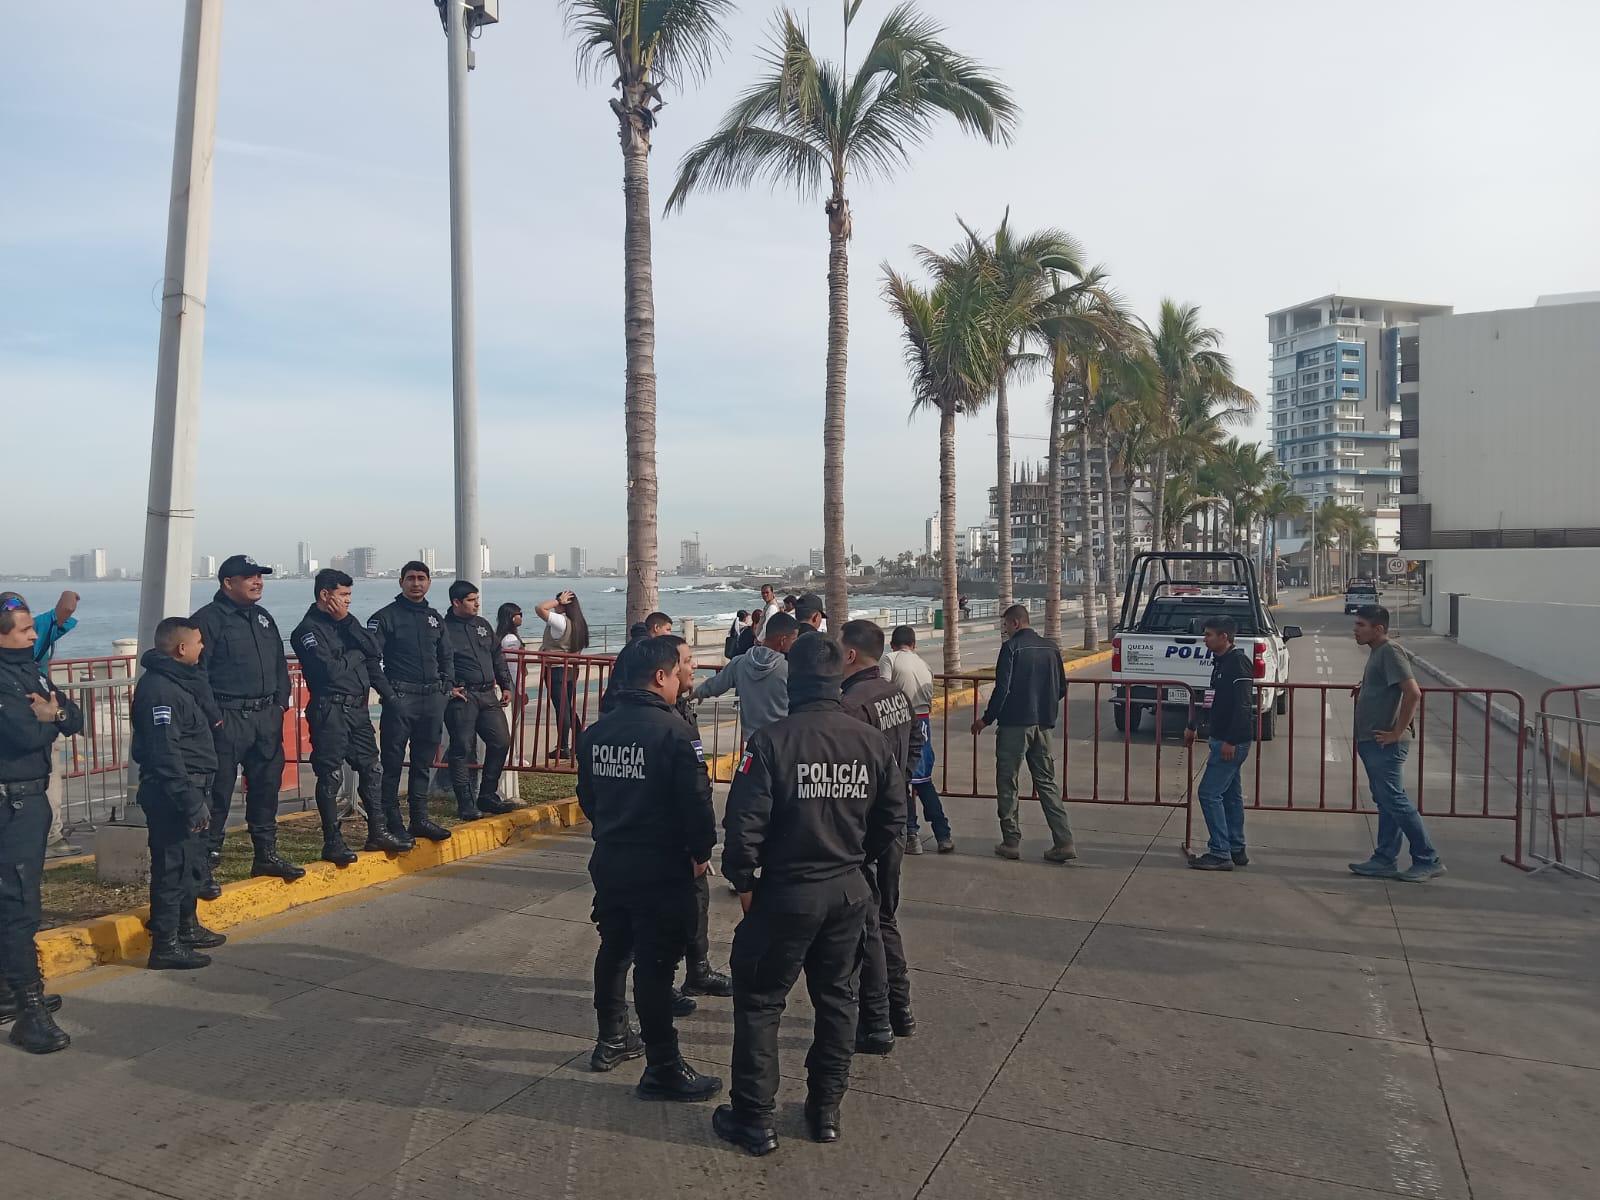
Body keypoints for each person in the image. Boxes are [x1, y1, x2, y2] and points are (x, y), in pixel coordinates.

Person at [714, 635, 905, 1156]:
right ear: (837, 678)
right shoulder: (868, 740)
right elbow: (894, 817)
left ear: (791, 681)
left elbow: (743, 825)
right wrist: (857, 858)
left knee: (759, 1003)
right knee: (837, 1000)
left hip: (787, 891)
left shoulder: (773, 741)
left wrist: (745, 882)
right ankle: (825, 1111)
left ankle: (754, 1118)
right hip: (846, 891)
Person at [577, 636, 723, 1103]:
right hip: (661, 864)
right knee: (656, 966)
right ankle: (663, 1064)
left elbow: (590, 800)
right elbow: (697, 804)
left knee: (614, 948)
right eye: (678, 671)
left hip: (613, 858)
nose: (685, 677)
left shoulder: (597, 732)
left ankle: (612, 1038)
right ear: (659, 677)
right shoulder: (674, 731)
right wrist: (701, 851)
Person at [0, 593, 81, 1054]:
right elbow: (21, 734)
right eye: (26, 629)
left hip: (30, 799)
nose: (35, 635)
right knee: (19, 904)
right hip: (10, 804)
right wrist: (53, 719)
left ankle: (9, 989)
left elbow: (76, 717)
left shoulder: (31, 671)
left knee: (13, 898)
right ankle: (29, 1011)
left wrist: (56, 714)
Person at [191, 555, 304, 885]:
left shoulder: (263, 618)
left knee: (266, 789)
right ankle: (205, 864)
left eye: (260, 577)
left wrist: (279, 705)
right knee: (218, 794)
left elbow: (278, 665)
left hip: (265, 719)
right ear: (228, 583)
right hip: (227, 719)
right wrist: (215, 719)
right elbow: (198, 675)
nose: (258, 582)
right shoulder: (207, 621)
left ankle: (266, 854)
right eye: (249, 577)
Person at [838, 619, 918, 1056]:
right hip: (894, 818)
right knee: (885, 918)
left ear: (850, 655)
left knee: (867, 926)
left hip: (866, 828)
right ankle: (899, 1009)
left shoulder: (852, 705)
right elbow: (918, 743)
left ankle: (878, 1020)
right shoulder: (896, 696)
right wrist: (900, 784)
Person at [131, 618, 227, 970]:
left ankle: (187, 926)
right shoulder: (160, 690)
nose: (203, 648)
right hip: (174, 790)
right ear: (181, 648)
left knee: (191, 863)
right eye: (198, 642)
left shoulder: (182, 682)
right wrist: (188, 799)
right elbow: (164, 751)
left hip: (195, 785)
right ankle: (166, 943)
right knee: (172, 866)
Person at [291, 570, 407, 859]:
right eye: (343, 596)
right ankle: (332, 840)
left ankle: (377, 832)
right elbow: (328, 671)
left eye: (349, 596)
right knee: (330, 776)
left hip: (358, 709)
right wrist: (356, 654)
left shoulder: (346, 624)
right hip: (330, 708)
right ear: (325, 596)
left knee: (372, 769)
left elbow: (373, 649)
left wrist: (347, 622)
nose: (347, 601)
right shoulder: (307, 630)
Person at [971, 605, 1075, 864]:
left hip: (1014, 725)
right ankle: (1064, 841)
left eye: (1005, 625)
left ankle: (1011, 841)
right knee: (1046, 781)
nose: (1004, 630)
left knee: (1008, 782)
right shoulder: (1051, 647)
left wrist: (986, 719)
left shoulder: (1011, 648)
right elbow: (1061, 687)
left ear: (1016, 623)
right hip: (1043, 725)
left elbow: (1002, 689)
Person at [1349, 605, 1444, 883]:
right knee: (1387, 802)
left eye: (1361, 625)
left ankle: (1428, 858)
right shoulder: (1378, 653)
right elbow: (1387, 685)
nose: (1355, 629)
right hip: (1371, 741)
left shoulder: (1390, 651)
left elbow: (1413, 693)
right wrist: (1365, 686)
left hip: (1385, 744)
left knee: (1396, 801)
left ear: (1378, 629)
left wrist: (1396, 732)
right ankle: (1384, 858)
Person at [367, 562, 454, 846]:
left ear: (429, 582)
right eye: (410, 579)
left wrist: (446, 687)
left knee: (422, 763)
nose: (416, 583)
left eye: (421, 578)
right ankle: (393, 822)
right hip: (400, 699)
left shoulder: (434, 618)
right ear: (401, 582)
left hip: (432, 699)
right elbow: (371, 660)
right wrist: (389, 695)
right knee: (392, 764)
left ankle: (420, 819)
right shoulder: (385, 617)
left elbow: (446, 656)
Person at [1182, 616, 1255, 871]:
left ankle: (1220, 852)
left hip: (1231, 741)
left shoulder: (1238, 663)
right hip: (1219, 737)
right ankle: (1236, 848)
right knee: (1230, 796)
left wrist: (1231, 741)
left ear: (1224, 637)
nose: (1205, 639)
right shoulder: (1220, 662)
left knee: (1209, 793)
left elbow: (1244, 706)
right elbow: (1211, 698)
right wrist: (1194, 725)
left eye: (1209, 634)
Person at [443, 581, 518, 820]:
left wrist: (506, 684)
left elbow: (497, 656)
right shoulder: (443, 630)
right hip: (462, 696)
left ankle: (487, 794)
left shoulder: (482, 625)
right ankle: (465, 803)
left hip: (488, 694)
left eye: (477, 598)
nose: (477, 603)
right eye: (471, 600)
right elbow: (434, 661)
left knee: (501, 742)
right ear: (456, 602)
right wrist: (447, 687)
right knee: (462, 749)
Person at [881, 625, 954, 854]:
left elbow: (881, 691)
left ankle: (911, 834)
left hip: (900, 724)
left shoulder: (889, 659)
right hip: (923, 725)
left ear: (892, 644)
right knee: (923, 782)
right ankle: (943, 834)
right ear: (914, 645)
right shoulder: (924, 665)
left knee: (901, 783)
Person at [692, 613, 798, 738]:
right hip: (782, 739)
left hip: (752, 741)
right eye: (794, 639)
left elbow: (716, 685)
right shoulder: (788, 669)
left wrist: (697, 693)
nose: (795, 643)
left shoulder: (739, 662)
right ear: (783, 640)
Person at [34, 591, 82, 858]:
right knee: (49, 780)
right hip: (37, 727)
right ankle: (50, 838)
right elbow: (62, 612)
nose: (31, 636)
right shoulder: (35, 631)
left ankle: (50, 836)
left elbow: (61, 613)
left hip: (39, 729)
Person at [535, 589, 591, 761]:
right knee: (568, 708)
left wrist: (558, 601)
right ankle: (580, 742)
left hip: (557, 670)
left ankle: (563, 747)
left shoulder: (561, 621)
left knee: (562, 709)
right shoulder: (579, 623)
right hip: (571, 670)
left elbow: (539, 608)